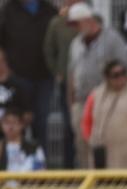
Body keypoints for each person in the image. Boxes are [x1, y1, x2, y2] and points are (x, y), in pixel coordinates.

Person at [67, 2, 127, 168]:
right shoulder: (75, 44)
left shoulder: (112, 39)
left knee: (108, 146)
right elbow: (72, 74)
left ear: (88, 20)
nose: (75, 28)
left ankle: (108, 188)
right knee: (82, 144)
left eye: (76, 23)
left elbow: (123, 68)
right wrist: (72, 104)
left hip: (107, 100)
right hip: (81, 101)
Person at [0, 0, 56, 152]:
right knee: (16, 122)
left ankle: (39, 162)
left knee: (41, 122)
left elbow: (55, 40)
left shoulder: (49, 9)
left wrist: (55, 69)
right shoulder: (8, 10)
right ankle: (14, 163)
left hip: (44, 77)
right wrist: (5, 70)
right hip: (17, 79)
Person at [81, 60, 127, 169]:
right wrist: (90, 139)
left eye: (123, 73)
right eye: (115, 75)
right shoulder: (96, 96)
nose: (120, 78)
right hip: (102, 157)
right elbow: (86, 121)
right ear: (107, 77)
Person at [42, 0, 80, 167]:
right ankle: (69, 169)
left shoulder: (90, 19)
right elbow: (48, 49)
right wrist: (57, 71)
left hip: (88, 84)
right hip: (67, 83)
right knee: (68, 127)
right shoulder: (57, 23)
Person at [0, 49, 32, 123]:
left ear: (6, 62)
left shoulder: (20, 85)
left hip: (14, 127)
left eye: (1, 61)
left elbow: (28, 115)